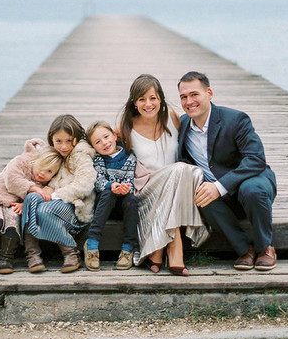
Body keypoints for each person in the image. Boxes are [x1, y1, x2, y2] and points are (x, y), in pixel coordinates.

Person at [177, 71, 278, 271]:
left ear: (209, 93)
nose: (189, 101)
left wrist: (220, 186)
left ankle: (265, 247)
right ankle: (245, 249)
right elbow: (150, 125)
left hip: (250, 182)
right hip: (219, 196)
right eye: (183, 97)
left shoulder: (235, 119)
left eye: (194, 94)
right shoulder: (181, 125)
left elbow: (256, 159)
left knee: (252, 189)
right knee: (200, 195)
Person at [119, 74, 209, 276]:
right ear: (134, 103)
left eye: (152, 98)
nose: (148, 104)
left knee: (193, 172)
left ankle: (157, 249)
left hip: (176, 188)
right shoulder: (126, 127)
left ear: (160, 99)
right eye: (142, 99)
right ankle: (174, 249)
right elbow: (97, 142)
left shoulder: (173, 118)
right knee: (180, 169)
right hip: (147, 190)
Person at [0, 139, 62, 275]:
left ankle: (6, 259)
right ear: (36, 160)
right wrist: (34, 188)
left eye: (49, 171)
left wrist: (24, 204)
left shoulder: (43, 184)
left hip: (11, 206)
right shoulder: (21, 162)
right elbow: (12, 181)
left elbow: (41, 199)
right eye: (42, 166)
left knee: (13, 225)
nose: (43, 173)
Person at [22, 114, 96, 273]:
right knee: (32, 197)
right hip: (56, 203)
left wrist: (55, 194)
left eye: (69, 141)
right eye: (59, 141)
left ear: (76, 138)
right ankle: (32, 255)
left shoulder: (81, 155)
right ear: (51, 139)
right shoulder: (55, 155)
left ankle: (71, 252)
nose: (64, 146)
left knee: (43, 210)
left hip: (75, 207)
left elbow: (85, 185)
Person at [83, 121, 138, 271]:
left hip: (123, 206)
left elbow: (131, 180)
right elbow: (98, 181)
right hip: (104, 205)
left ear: (114, 136)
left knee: (132, 199)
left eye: (106, 137)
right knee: (108, 193)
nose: (105, 143)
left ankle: (127, 248)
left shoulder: (129, 158)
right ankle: (92, 243)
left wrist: (126, 188)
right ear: (93, 147)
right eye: (98, 142)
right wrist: (111, 186)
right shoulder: (99, 160)